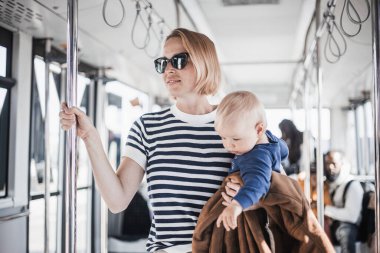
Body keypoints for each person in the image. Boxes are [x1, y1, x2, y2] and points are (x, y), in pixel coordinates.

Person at [60, 28, 238, 253]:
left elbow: (273, 190)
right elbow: (117, 201)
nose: (169, 70)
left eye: (179, 60)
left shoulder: (235, 121)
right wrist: (89, 137)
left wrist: (247, 191)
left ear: (205, 63)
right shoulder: (148, 127)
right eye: (163, 63)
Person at [214, 91, 288, 231]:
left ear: (259, 130)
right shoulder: (270, 139)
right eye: (223, 137)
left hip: (257, 218)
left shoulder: (256, 157)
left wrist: (237, 205)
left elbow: (257, 183)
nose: (228, 146)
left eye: (236, 139)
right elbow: (283, 150)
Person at [324, 150, 363, 253]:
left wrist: (325, 209)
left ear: (342, 164)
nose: (330, 167)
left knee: (346, 230)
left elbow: (352, 216)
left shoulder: (353, 186)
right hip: (333, 225)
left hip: (351, 228)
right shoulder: (328, 184)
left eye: (334, 163)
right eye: (327, 163)